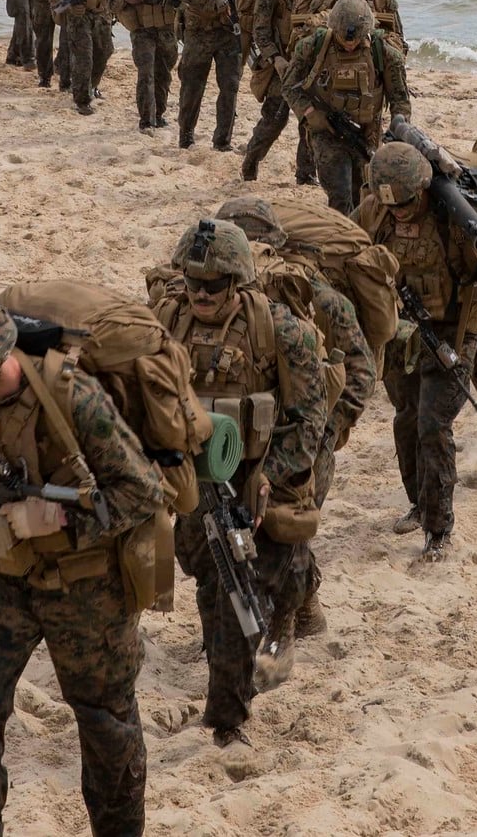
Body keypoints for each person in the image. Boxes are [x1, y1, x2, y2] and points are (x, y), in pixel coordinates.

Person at [0, 286, 169, 836]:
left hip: (87, 587)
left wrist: (61, 520)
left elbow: (145, 491)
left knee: (105, 723)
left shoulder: (74, 399)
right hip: (3, 580)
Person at [153, 219, 327, 745]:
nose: (202, 295)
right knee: (215, 587)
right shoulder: (162, 326)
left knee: (267, 582)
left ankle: (232, 707)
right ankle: (229, 696)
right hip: (190, 482)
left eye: (214, 285)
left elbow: (310, 419)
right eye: (193, 282)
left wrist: (270, 477)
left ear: (238, 283)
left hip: (260, 478)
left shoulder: (283, 333)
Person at [215, 194, 379, 637]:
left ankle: (289, 621)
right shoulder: (211, 300)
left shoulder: (312, 294)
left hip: (304, 440)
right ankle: (273, 618)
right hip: (238, 437)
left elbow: (362, 369)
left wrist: (327, 431)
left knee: (289, 536)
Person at [356, 142, 477, 561]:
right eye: (393, 205)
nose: (401, 212)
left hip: (455, 326)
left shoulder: (456, 219)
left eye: (408, 203)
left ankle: (438, 528)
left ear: (423, 190)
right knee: (407, 419)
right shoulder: (376, 212)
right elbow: (351, 252)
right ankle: (419, 502)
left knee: (433, 424)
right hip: (401, 328)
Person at [283, 0, 411, 215]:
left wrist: (397, 133)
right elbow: (288, 86)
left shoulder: (384, 53)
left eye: (356, 39)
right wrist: (309, 113)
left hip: (366, 133)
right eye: (344, 39)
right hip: (326, 131)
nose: (350, 44)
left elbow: (400, 100)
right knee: (340, 195)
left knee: (363, 197)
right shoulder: (312, 46)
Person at [240, 0, 331, 184]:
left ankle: (306, 172)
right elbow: (261, 30)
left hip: (309, 65)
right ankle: (251, 162)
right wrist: (276, 59)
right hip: (281, 65)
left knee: (310, 121)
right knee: (274, 119)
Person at [175, 0, 251, 151]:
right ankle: (186, 135)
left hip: (229, 33)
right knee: (192, 86)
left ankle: (222, 140)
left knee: (230, 87)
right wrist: (212, 0)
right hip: (200, 32)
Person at [114, 0, 178, 131]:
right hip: (143, 33)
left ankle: (158, 114)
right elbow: (109, 2)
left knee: (163, 74)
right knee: (146, 74)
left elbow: (186, 0)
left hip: (167, 31)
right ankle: (146, 119)